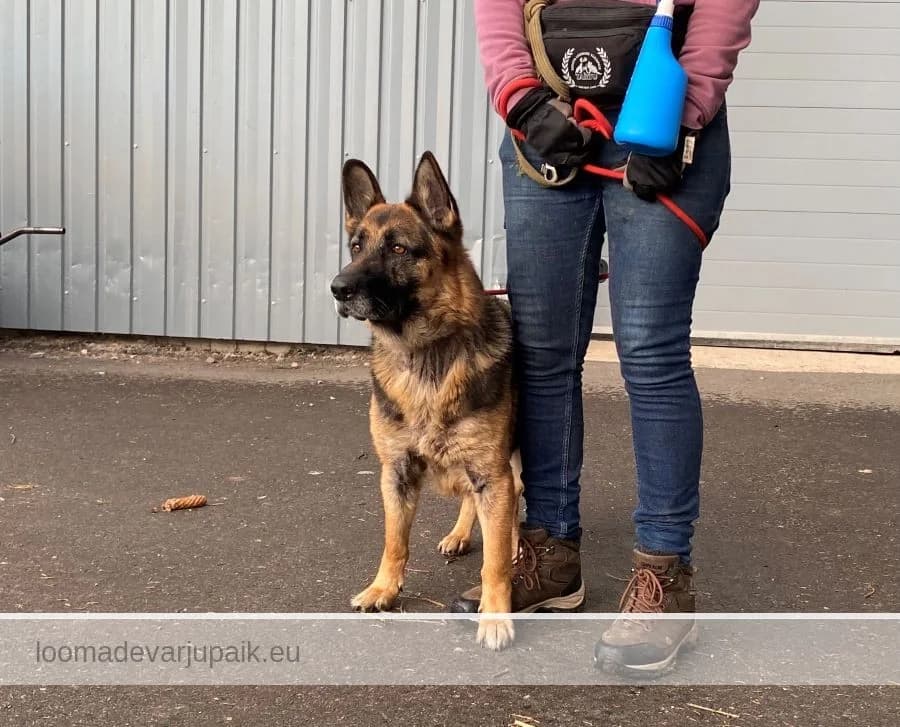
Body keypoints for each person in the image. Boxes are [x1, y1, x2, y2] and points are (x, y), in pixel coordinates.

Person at [454, 0, 760, 674]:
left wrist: (687, 113)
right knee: (540, 351)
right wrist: (520, 99)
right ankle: (550, 552)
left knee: (650, 351)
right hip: (548, 114)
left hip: (662, 110)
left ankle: (664, 577)